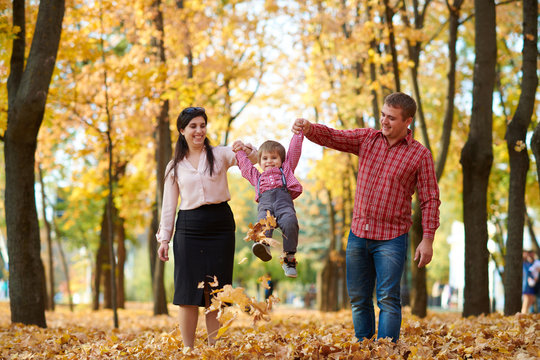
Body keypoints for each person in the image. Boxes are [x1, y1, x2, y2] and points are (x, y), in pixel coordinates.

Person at [292, 92, 440, 342]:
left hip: (392, 238)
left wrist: (428, 239)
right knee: (359, 299)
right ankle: (364, 348)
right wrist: (308, 128)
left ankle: (385, 353)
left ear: (408, 121)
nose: (384, 121)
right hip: (359, 234)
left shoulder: (419, 155)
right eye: (383, 115)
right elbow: (333, 136)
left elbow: (430, 199)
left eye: (391, 118)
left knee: (388, 299)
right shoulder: (367, 139)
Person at [156, 106, 257, 349]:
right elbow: (169, 206)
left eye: (202, 125)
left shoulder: (220, 154)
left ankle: (215, 349)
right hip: (189, 228)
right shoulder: (174, 166)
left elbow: (252, 159)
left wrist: (246, 147)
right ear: (182, 130)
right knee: (188, 294)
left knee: (217, 293)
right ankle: (188, 349)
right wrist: (164, 239)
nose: (198, 130)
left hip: (220, 226)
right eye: (193, 126)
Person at [233, 131, 304, 277]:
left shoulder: (285, 172)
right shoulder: (257, 177)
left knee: (290, 222)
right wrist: (239, 152)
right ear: (259, 162)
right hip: (266, 205)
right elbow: (246, 167)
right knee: (262, 223)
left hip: (284, 204)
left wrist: (298, 134)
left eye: (274, 157)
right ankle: (263, 245)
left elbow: (294, 152)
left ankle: (289, 258)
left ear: (282, 160)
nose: (269, 161)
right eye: (265, 158)